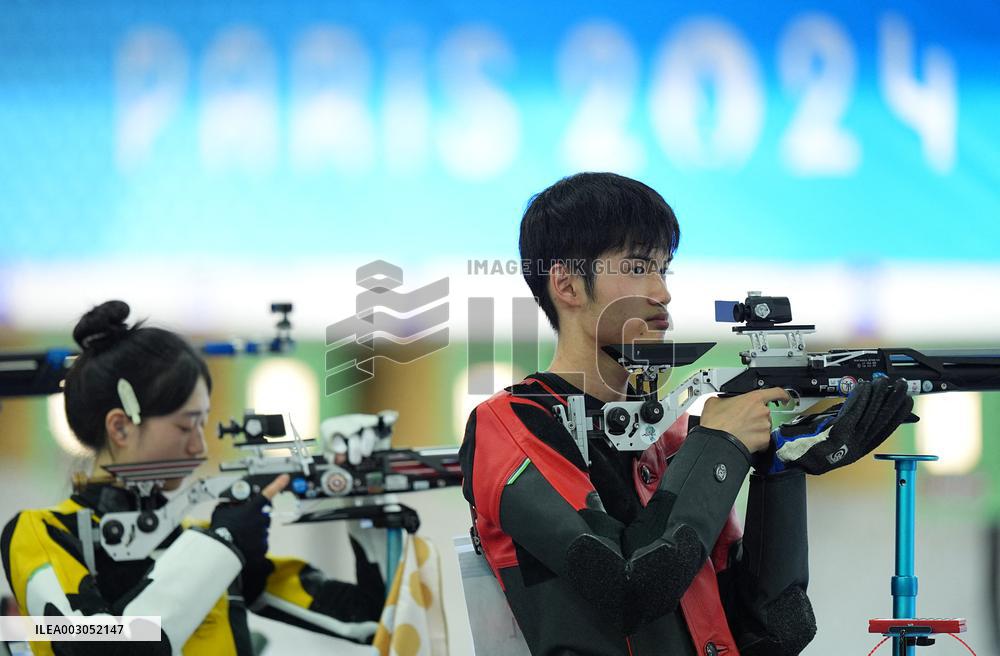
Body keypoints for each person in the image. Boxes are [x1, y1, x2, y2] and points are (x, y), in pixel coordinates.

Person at [459, 172, 913, 655]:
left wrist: (782, 470)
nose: (662, 291)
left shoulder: (671, 436)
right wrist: (721, 447)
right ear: (568, 285)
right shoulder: (509, 426)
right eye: (637, 267)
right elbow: (627, 587)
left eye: (664, 268)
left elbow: (774, 632)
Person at [1, 301, 385, 655]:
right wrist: (222, 544)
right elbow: (99, 646)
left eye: (203, 424)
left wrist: (363, 490)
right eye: (187, 426)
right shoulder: (40, 535)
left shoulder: (196, 542)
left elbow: (371, 620)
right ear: (120, 428)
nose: (199, 448)